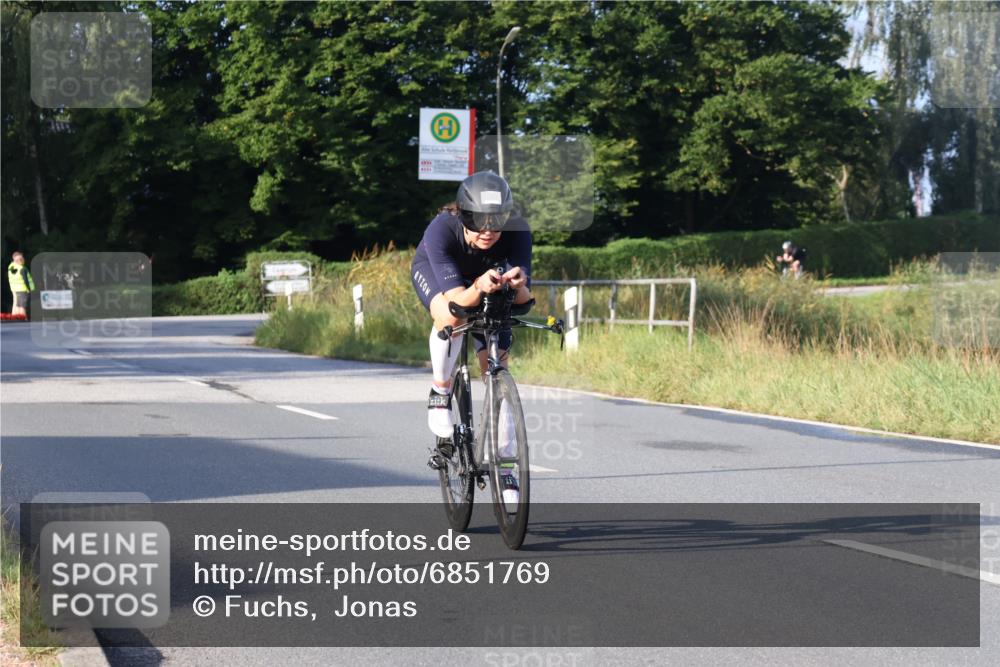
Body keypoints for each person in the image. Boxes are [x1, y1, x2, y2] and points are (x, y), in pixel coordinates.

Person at [411, 171, 532, 503]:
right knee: (451, 319)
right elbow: (456, 304)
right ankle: (440, 391)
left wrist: (519, 284)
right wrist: (478, 285)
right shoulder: (441, 229)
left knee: (495, 368)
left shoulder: (518, 232)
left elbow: (526, 301)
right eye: (479, 221)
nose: (489, 230)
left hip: (489, 282)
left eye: (497, 221)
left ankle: (505, 466)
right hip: (441, 277)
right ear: (464, 215)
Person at [8, 251, 34, 319]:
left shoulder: (11, 267)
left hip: (14, 289)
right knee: (22, 306)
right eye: (21, 259)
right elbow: (25, 280)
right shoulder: (22, 269)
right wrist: (28, 289)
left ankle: (15, 319)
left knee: (16, 305)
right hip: (23, 289)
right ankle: (24, 319)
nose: (23, 260)